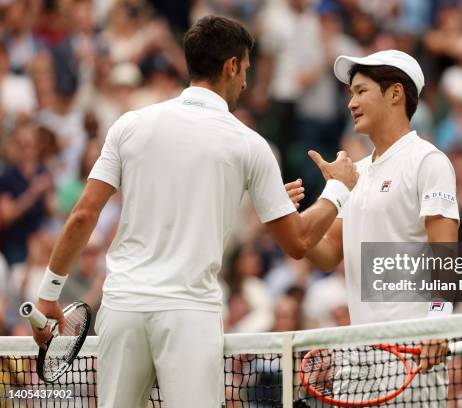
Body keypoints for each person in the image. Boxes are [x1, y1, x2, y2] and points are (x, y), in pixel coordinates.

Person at [28, 15, 358, 408]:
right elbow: (300, 242)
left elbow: (83, 214)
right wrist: (338, 189)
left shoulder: (129, 125)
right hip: (188, 314)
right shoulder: (250, 145)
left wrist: (49, 293)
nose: (246, 83)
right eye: (246, 70)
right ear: (231, 66)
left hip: (123, 308)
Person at [288, 49, 459, 405]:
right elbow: (325, 256)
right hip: (358, 356)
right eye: (351, 93)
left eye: (361, 91)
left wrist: (437, 326)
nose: (351, 102)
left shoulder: (429, 161)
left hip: (413, 351)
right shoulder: (355, 174)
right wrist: (285, 216)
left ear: (395, 93)